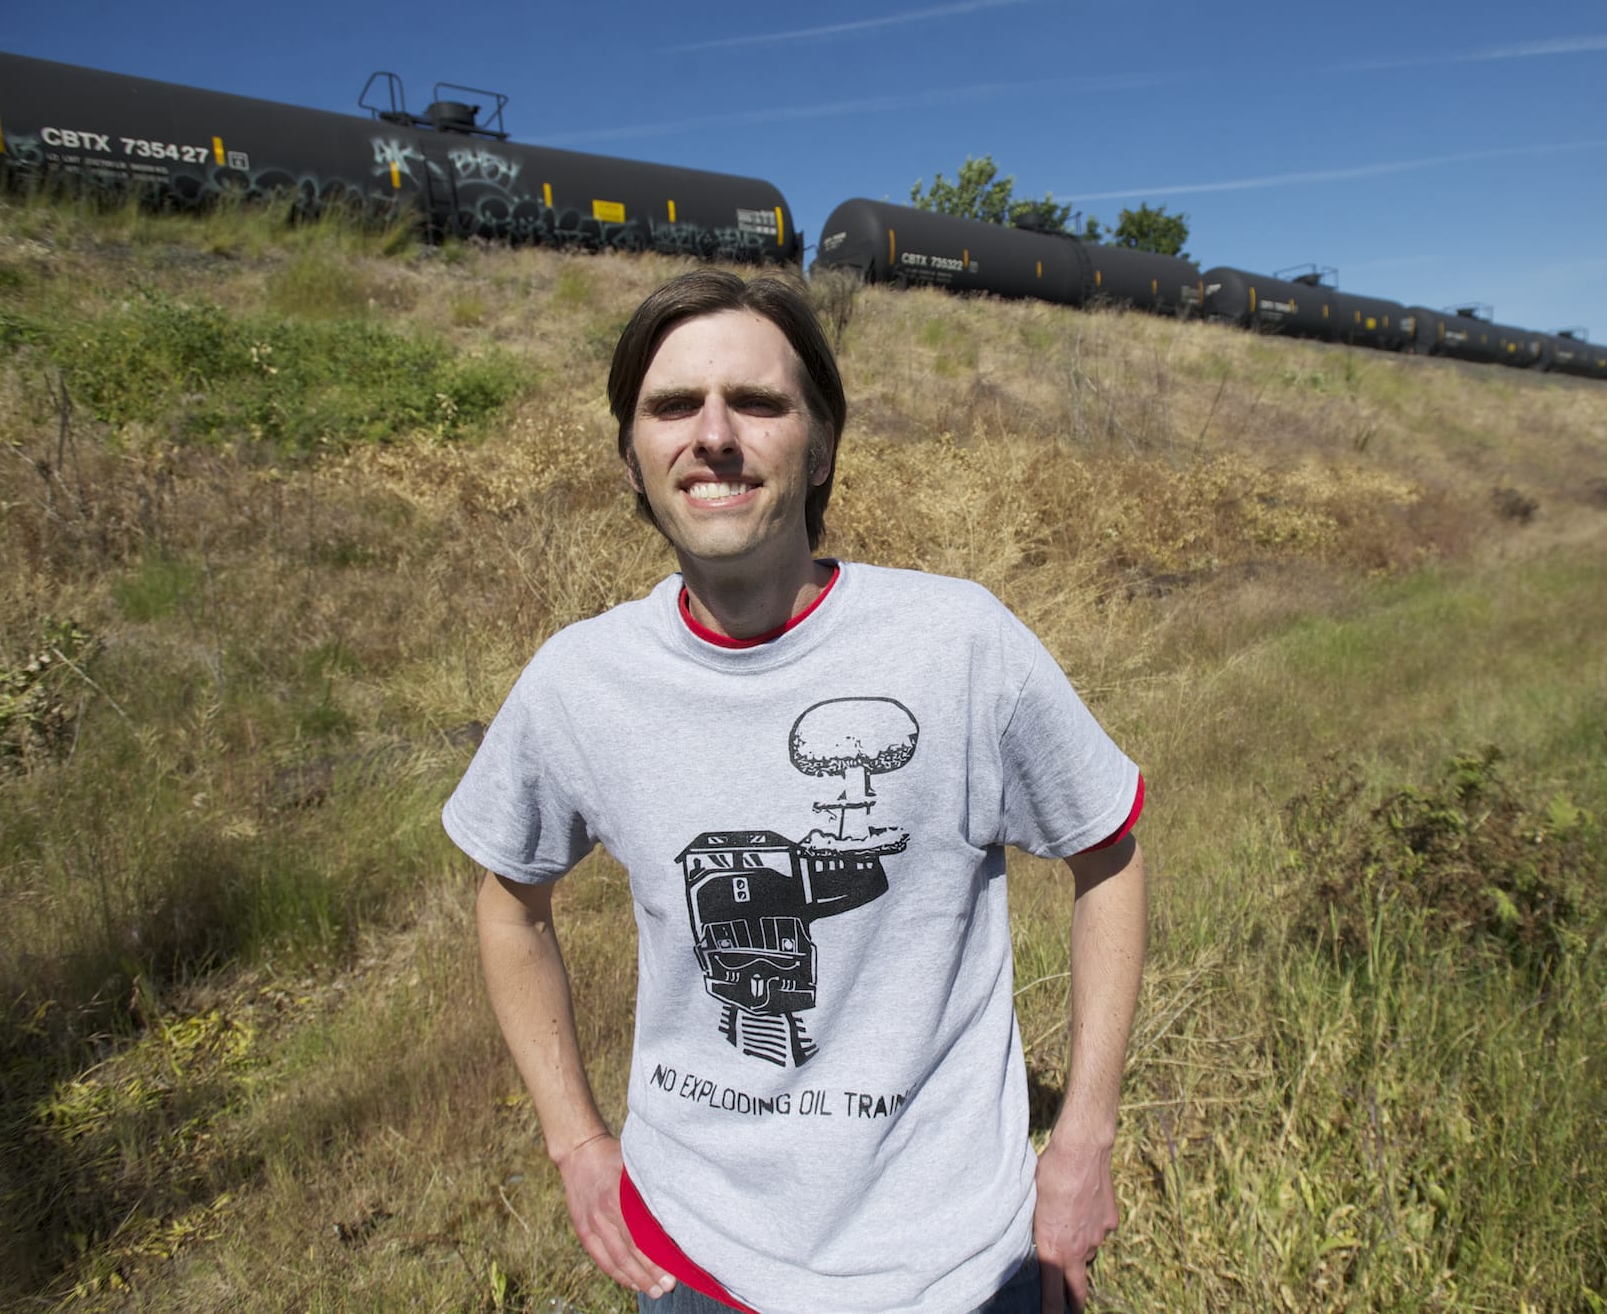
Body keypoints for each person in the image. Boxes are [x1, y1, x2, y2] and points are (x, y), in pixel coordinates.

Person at [446, 268, 1146, 1314]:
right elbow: (509, 906)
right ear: (631, 453)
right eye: (671, 405)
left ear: (818, 444)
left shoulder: (955, 642)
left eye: (758, 403)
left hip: (954, 1267)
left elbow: (1108, 851)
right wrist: (576, 1141)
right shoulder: (579, 682)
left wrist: (1081, 1136)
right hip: (696, 1261)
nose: (712, 434)